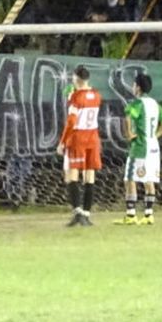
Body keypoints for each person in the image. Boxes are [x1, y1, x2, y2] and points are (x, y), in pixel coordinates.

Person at [118, 73, 162, 225]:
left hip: (141, 147)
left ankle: (131, 215)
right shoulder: (155, 104)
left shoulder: (137, 104)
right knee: (149, 180)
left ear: (138, 87)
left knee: (130, 179)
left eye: (134, 84)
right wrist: (156, 134)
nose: (132, 87)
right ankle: (149, 215)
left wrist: (129, 134)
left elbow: (128, 115)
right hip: (154, 147)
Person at [59, 66, 104, 227]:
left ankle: (78, 213)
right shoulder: (97, 95)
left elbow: (71, 121)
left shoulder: (76, 97)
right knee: (89, 176)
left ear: (77, 79)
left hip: (78, 137)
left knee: (71, 175)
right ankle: (86, 214)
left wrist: (62, 142)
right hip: (93, 138)